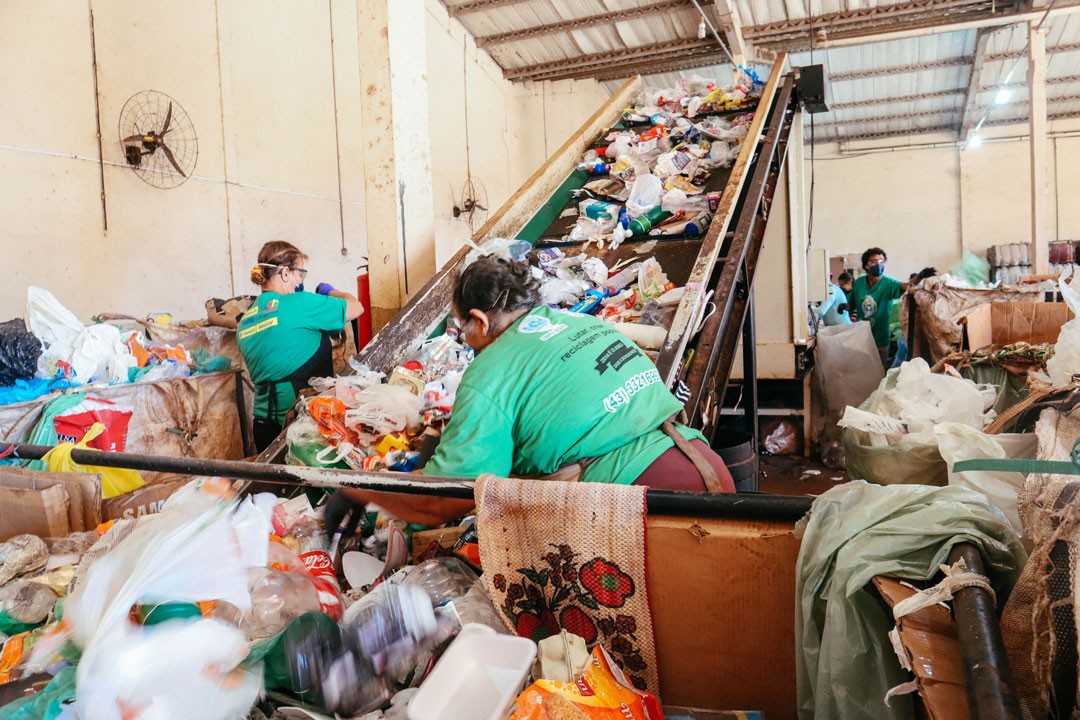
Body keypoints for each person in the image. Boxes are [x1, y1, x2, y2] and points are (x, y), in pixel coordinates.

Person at [334, 255, 735, 526]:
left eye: (462, 328)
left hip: (642, 505)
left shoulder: (490, 370)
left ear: (478, 320)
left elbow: (448, 496)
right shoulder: (584, 324)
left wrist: (363, 490)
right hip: (703, 466)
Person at [238, 241, 364, 452]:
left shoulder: (245, 320)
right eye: (300, 274)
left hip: (263, 427)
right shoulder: (299, 303)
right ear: (285, 273)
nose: (300, 282)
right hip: (301, 424)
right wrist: (331, 292)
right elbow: (356, 306)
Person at [848, 247, 907, 367]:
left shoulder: (888, 283)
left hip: (880, 338)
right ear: (866, 266)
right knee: (861, 369)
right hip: (861, 337)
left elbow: (904, 287)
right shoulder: (859, 283)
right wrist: (844, 306)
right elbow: (851, 305)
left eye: (881, 261)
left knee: (878, 372)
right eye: (873, 262)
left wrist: (919, 280)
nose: (878, 265)